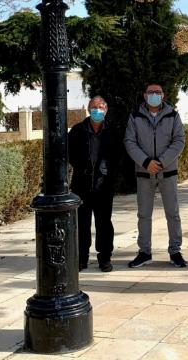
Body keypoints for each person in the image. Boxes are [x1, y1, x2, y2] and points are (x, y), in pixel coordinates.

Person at [124, 83, 187, 268]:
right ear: (144, 95)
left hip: (168, 171)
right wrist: (146, 162)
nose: (154, 95)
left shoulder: (173, 115)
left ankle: (175, 251)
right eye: (150, 92)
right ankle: (144, 252)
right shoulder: (135, 116)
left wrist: (160, 161)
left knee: (173, 213)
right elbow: (129, 141)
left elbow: (179, 140)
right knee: (144, 214)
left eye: (157, 92)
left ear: (163, 94)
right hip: (144, 173)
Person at [68, 95, 117, 272]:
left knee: (104, 223)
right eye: (94, 107)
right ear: (89, 109)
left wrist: (109, 173)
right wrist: (83, 167)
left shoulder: (112, 131)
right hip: (82, 185)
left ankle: (105, 258)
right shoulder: (77, 130)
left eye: (101, 106)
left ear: (106, 109)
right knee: (82, 223)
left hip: (104, 186)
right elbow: (71, 154)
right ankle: (82, 259)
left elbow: (117, 156)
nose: (97, 110)